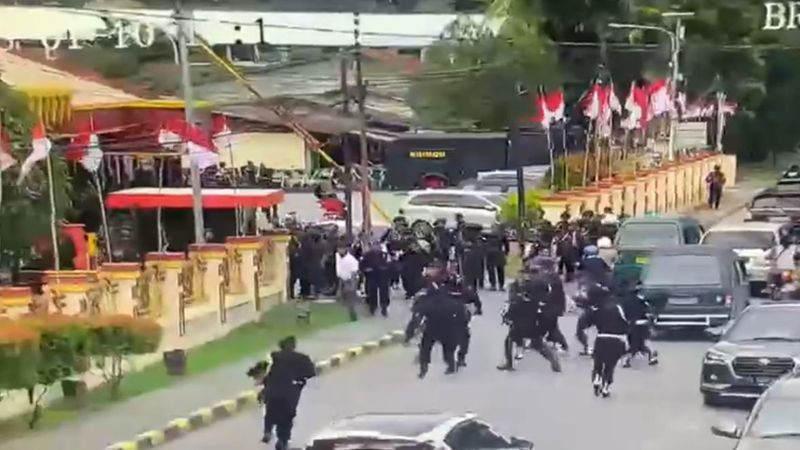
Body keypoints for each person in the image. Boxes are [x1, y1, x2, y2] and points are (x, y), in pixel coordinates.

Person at [404, 262, 464, 378]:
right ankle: (450, 365)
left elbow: (417, 317)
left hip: (433, 326)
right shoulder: (446, 295)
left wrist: (409, 334)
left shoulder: (427, 299)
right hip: (446, 326)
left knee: (426, 347)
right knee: (446, 347)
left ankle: (424, 368)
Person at [497, 266, 561, 372]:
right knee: (539, 345)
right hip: (533, 323)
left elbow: (512, 310)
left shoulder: (519, 297)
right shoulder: (537, 292)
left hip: (519, 325)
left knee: (508, 341)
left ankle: (509, 363)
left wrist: (507, 318)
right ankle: (554, 361)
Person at [259, 336, 316, 449]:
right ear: (294, 346)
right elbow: (311, 373)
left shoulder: (273, 356)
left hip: (273, 390)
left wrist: (264, 384)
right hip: (290, 392)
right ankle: (283, 439)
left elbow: (262, 371)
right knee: (287, 417)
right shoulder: (302, 358)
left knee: (270, 412)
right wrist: (300, 380)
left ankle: (268, 431)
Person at [583, 284, 628, 398]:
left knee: (598, 363)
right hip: (616, 340)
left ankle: (597, 379)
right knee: (610, 366)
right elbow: (625, 321)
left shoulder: (597, 309)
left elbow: (588, 324)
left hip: (601, 338)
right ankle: (605, 388)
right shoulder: (617, 307)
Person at [444, 264, 482, 368]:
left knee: (463, 336)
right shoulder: (443, 284)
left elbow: (474, 297)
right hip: (450, 314)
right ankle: (455, 359)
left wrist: (478, 307)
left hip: (460, 315)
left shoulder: (464, 287)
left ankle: (460, 358)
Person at [620, 281, 658, 367]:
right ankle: (652, 355)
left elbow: (623, 314)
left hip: (632, 324)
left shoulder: (625, 301)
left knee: (634, 344)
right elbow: (649, 311)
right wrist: (652, 322)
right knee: (644, 342)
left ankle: (627, 360)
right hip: (643, 323)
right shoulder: (642, 300)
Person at [360, 242, 391, 316]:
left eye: (377, 246)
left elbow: (390, 265)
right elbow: (362, 265)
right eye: (375, 246)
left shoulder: (384, 255)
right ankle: (373, 307)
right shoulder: (368, 255)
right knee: (373, 291)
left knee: (383, 291)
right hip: (372, 275)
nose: (376, 248)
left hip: (382, 275)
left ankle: (383, 307)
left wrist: (386, 270)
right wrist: (366, 270)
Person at [336, 244, 361, 321]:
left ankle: (353, 315)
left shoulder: (351, 260)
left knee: (350, 298)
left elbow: (354, 273)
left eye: (341, 249)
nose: (339, 251)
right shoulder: (338, 256)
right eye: (338, 249)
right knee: (342, 298)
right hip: (342, 279)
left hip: (350, 280)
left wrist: (353, 285)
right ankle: (348, 314)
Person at [484, 223, 509, 291]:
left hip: (490, 253)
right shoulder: (502, 235)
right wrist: (506, 252)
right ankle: (501, 285)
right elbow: (506, 245)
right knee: (500, 269)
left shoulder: (487, 235)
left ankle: (493, 285)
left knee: (491, 269)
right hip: (499, 252)